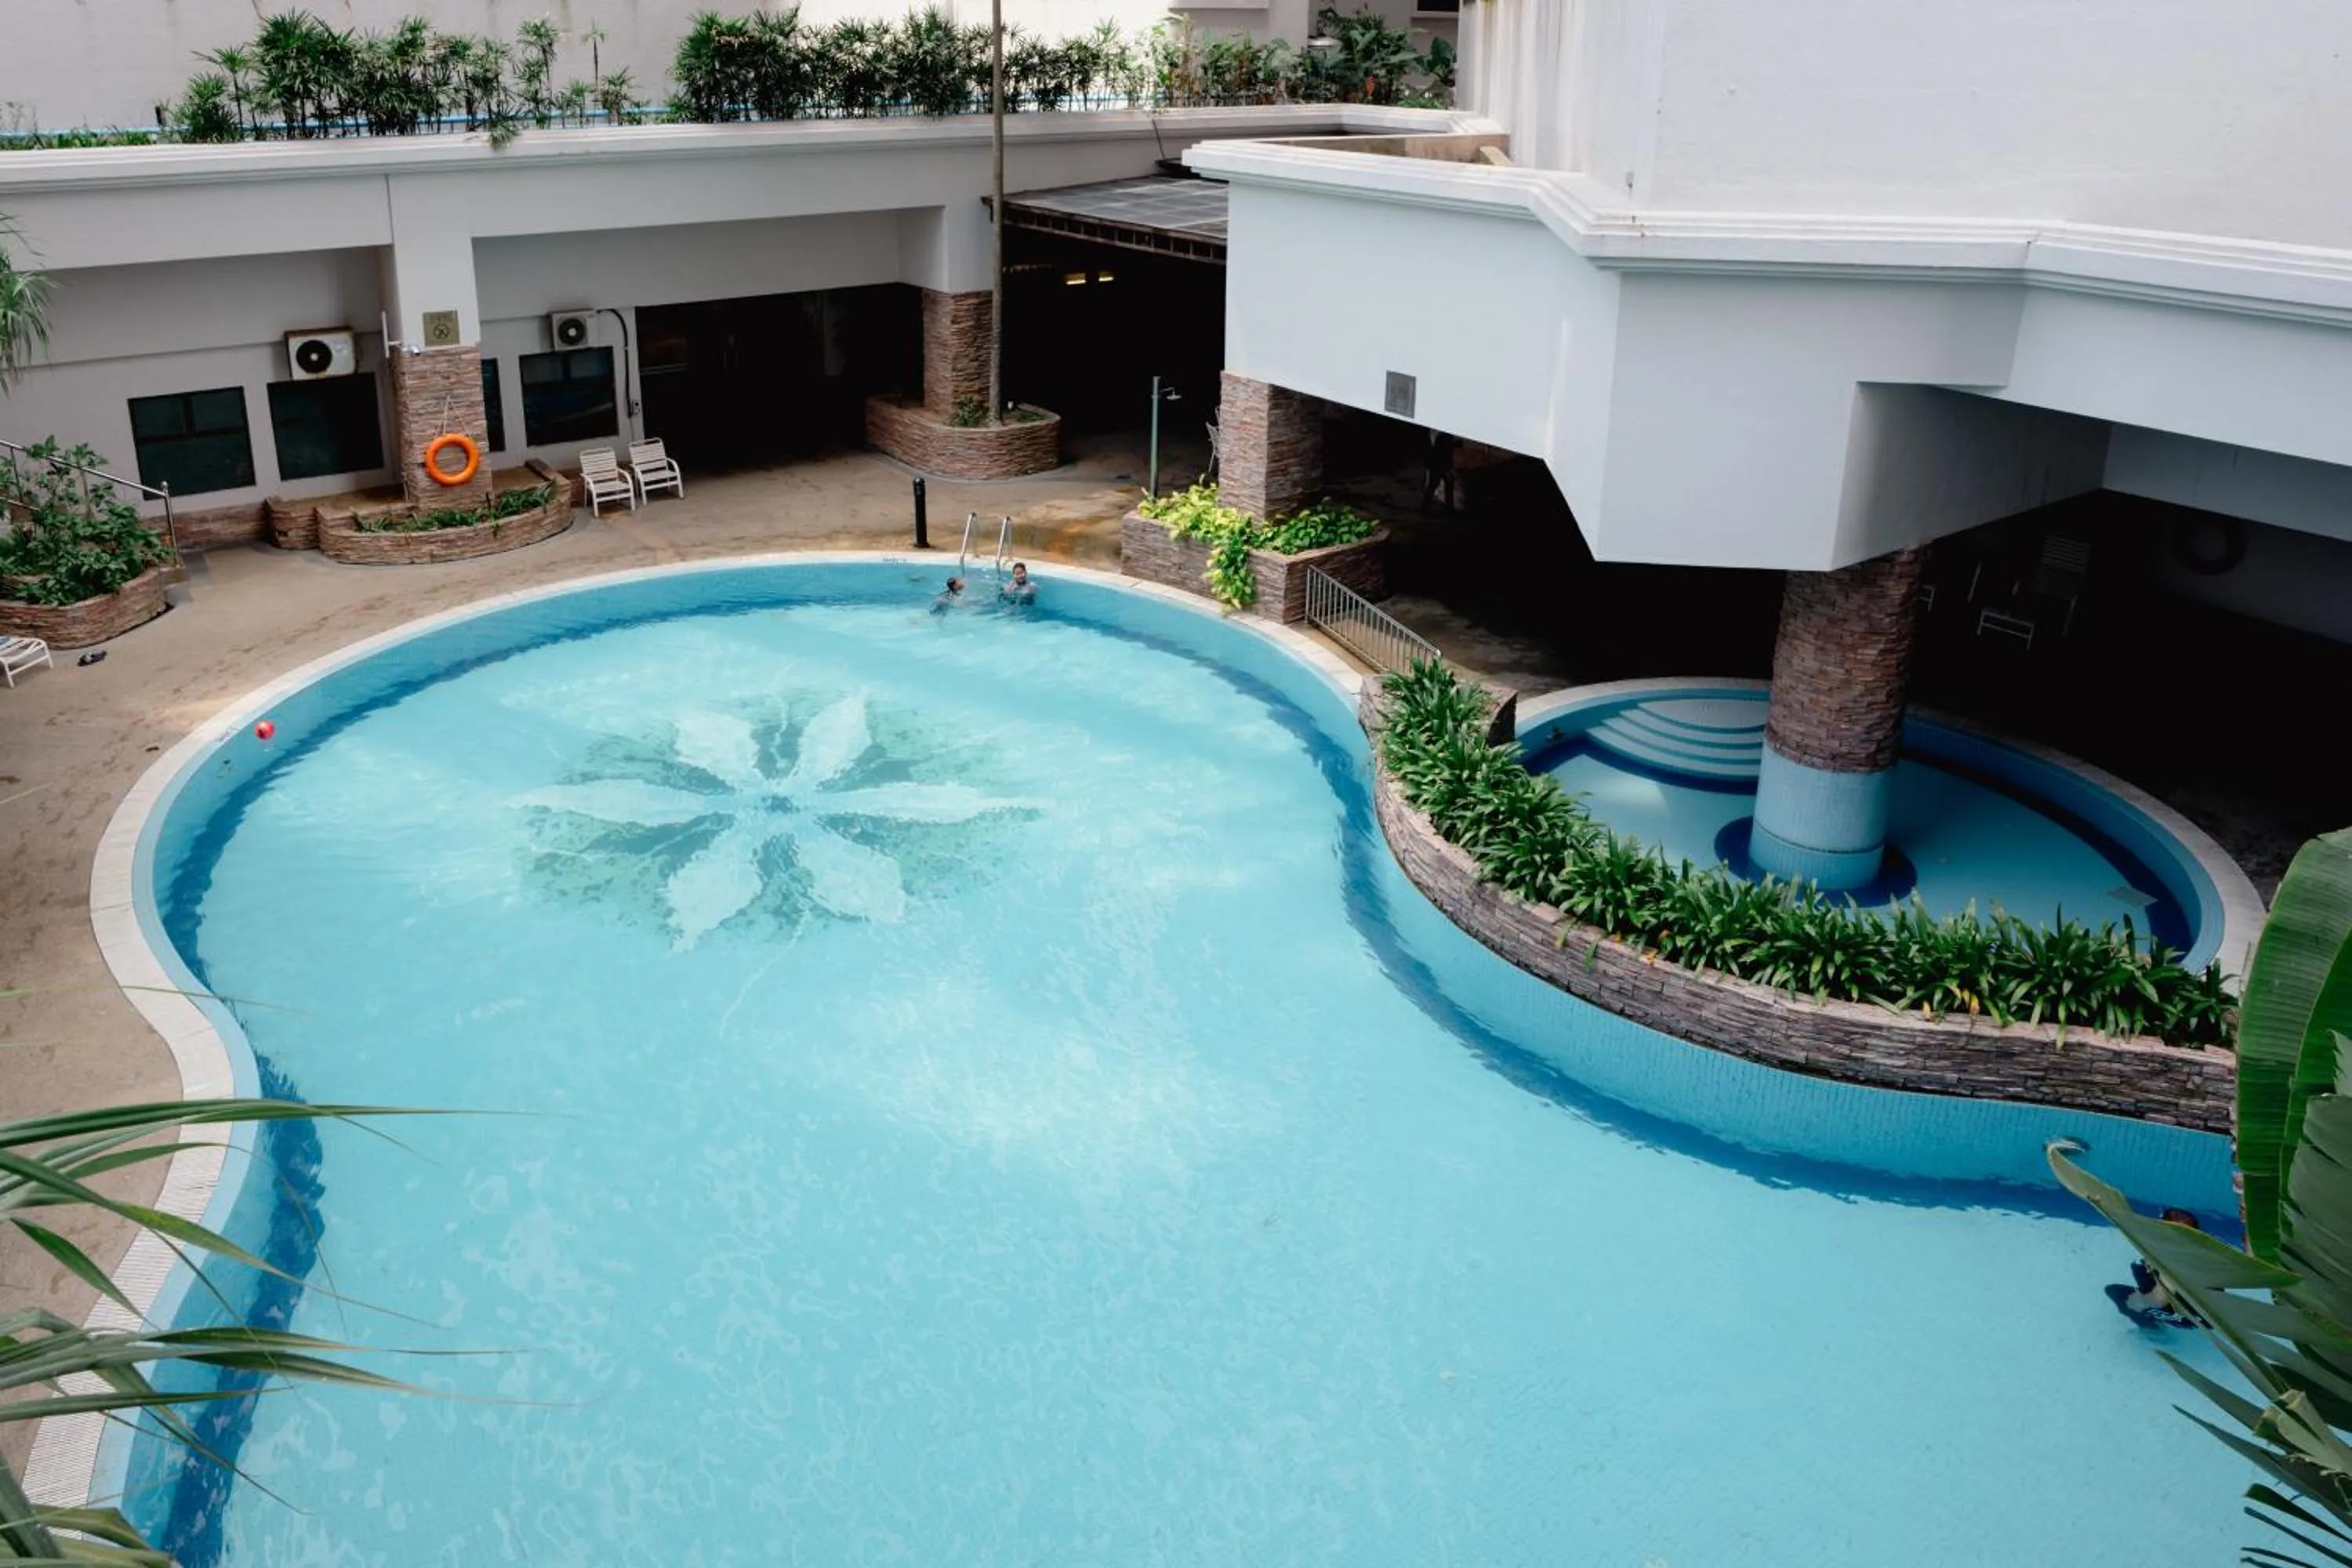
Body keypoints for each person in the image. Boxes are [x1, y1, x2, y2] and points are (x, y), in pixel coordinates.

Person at [2104, 1208, 2206, 1328]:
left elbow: (2158, 1300)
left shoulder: (2177, 1261)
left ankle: (2152, 1331)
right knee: (2139, 1267)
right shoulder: (2199, 1251)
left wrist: (2137, 1303)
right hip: (2204, 1309)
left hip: (2192, 1317)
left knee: (2118, 1294)